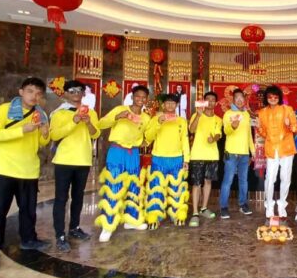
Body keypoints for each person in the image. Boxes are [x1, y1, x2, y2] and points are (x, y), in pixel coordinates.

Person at [0, 77, 50, 272]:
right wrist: (22, 129)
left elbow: (42, 143)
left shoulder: (41, 114)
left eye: (38, 93)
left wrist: (45, 133)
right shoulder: (5, 109)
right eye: (30, 91)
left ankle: (28, 239)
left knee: (28, 210)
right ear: (21, 92)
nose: (34, 96)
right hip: (4, 169)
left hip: (29, 170)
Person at [96, 85, 152, 242]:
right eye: (138, 96)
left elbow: (147, 136)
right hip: (117, 151)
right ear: (132, 97)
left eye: (143, 97)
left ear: (146, 100)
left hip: (133, 153)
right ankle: (108, 225)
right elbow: (101, 124)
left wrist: (145, 141)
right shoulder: (120, 109)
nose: (140, 99)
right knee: (114, 185)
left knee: (134, 186)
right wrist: (117, 117)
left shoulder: (146, 117)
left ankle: (131, 220)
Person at [49, 80, 100, 252]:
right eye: (71, 91)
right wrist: (75, 120)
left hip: (83, 160)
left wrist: (87, 122)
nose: (76, 93)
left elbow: (96, 133)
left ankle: (74, 227)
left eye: (79, 90)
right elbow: (54, 134)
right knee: (61, 198)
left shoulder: (91, 112)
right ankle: (60, 234)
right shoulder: (59, 113)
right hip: (64, 161)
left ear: (84, 93)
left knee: (78, 197)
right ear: (65, 94)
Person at [146, 93, 191, 229]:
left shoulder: (182, 121)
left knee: (177, 188)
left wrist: (186, 159)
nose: (170, 105)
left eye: (173, 103)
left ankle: (177, 215)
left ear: (177, 105)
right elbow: (148, 137)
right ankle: (155, 216)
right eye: (167, 103)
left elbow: (185, 140)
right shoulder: (155, 118)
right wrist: (158, 123)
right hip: (159, 158)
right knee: (156, 188)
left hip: (177, 158)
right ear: (163, 105)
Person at [257, 85, 297, 220]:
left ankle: (282, 205)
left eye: (275, 97)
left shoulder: (288, 109)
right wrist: (259, 129)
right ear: (266, 98)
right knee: (270, 179)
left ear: (279, 98)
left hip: (286, 148)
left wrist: (288, 125)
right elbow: (262, 132)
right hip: (271, 148)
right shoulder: (262, 112)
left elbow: (295, 128)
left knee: (285, 178)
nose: (273, 99)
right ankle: (269, 205)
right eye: (270, 97)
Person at [187, 91, 222, 227]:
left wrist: (214, 138)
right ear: (204, 102)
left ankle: (204, 208)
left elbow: (219, 134)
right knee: (196, 184)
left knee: (208, 182)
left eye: (213, 100)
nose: (211, 102)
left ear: (216, 103)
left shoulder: (218, 119)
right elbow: (191, 130)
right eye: (208, 100)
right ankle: (195, 213)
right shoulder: (197, 115)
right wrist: (198, 115)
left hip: (212, 155)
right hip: (197, 154)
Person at [219, 89, 255, 219]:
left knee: (243, 180)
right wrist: (232, 126)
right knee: (227, 181)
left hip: (244, 154)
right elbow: (226, 131)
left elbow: (249, 135)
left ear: (244, 100)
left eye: (242, 98)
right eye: (237, 98)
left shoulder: (246, 114)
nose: (240, 100)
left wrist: (253, 151)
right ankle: (223, 207)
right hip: (231, 153)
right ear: (233, 100)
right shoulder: (228, 113)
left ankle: (243, 204)